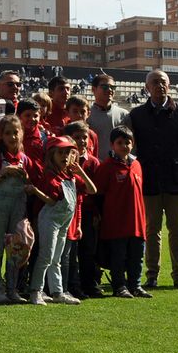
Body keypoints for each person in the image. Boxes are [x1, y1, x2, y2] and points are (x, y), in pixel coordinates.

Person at [129, 69, 178, 289]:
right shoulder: (137, 114)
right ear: (147, 87)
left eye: (164, 82)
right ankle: (152, 275)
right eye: (155, 82)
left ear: (169, 85)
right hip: (149, 180)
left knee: (177, 228)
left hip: (176, 180)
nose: (160, 85)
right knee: (151, 230)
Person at [28, 136, 96, 305]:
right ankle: (36, 291)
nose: (65, 156)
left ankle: (57, 291)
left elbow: (92, 190)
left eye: (68, 152)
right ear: (52, 155)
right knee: (46, 255)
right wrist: (36, 191)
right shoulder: (50, 177)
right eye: (60, 152)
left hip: (64, 220)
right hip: (50, 219)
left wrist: (80, 172)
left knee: (56, 257)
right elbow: (51, 201)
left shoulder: (70, 176)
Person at [0, 115, 40, 303]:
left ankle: (12, 288)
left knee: (16, 249)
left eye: (15, 132)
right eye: (7, 133)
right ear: (1, 135)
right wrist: (3, 173)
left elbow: (34, 185)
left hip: (18, 208)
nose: (12, 137)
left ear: (21, 134)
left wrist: (25, 178)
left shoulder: (26, 159)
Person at [93, 126, 151, 299]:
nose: (124, 146)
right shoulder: (107, 167)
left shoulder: (137, 165)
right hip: (116, 222)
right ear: (112, 145)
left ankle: (136, 285)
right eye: (120, 143)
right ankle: (119, 286)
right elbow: (99, 194)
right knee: (118, 257)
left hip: (137, 222)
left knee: (137, 256)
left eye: (127, 142)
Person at [62, 120, 102, 299]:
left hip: (86, 212)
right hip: (67, 211)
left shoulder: (93, 163)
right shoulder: (62, 160)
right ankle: (72, 285)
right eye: (77, 137)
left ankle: (89, 284)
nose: (81, 141)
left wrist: (96, 212)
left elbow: (97, 192)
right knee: (69, 251)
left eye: (84, 137)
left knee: (87, 250)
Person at [88, 74, 130, 160]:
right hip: (93, 166)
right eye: (104, 87)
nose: (109, 90)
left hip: (117, 167)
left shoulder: (124, 115)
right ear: (93, 89)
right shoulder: (86, 114)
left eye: (113, 87)